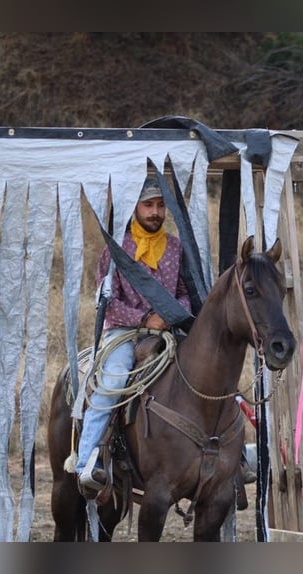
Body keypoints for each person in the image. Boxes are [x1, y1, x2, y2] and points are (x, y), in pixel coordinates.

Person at [76, 173, 191, 495]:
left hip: (168, 331)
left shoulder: (175, 248)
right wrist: (145, 319)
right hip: (124, 333)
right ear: (134, 208)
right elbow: (106, 303)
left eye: (160, 205)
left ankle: (229, 458)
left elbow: (184, 291)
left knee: (204, 371)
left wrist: (171, 314)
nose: (155, 212)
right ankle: (88, 462)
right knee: (112, 382)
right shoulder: (115, 250)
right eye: (148, 205)